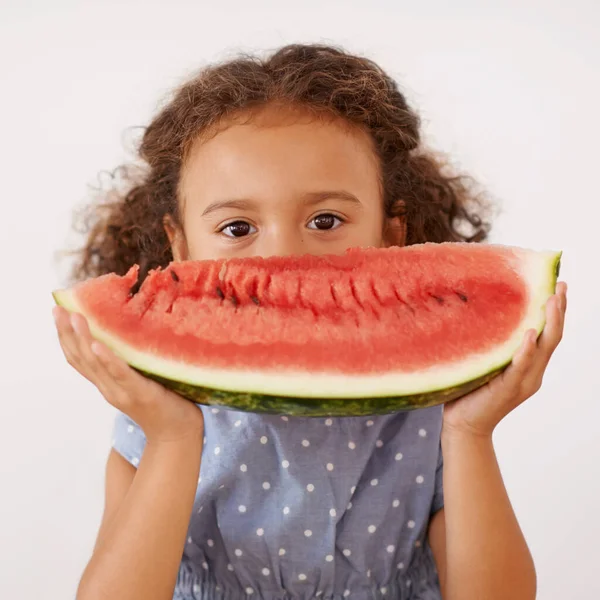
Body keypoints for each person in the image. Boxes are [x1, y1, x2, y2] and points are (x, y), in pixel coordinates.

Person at [53, 44, 566, 600]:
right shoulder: (152, 410)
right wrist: (174, 436)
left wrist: (470, 430)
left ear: (392, 235)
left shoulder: (427, 412)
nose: (282, 258)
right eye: (237, 227)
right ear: (179, 244)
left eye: (325, 219)